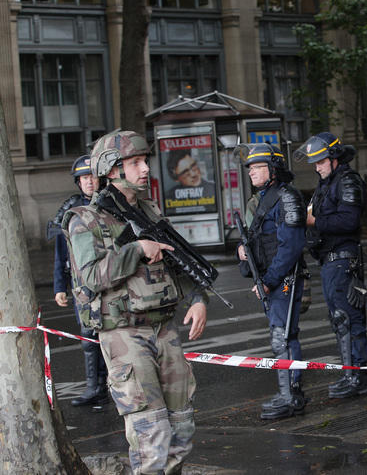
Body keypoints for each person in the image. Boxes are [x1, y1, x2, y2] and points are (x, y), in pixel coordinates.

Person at [62, 130, 208, 474]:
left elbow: (178, 260)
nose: (145, 169)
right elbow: (91, 278)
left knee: (182, 428)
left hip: (163, 329)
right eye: (135, 163)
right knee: (151, 432)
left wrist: (197, 299)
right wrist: (138, 250)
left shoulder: (148, 211)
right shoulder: (86, 220)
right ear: (112, 169)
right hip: (123, 334)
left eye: (145, 161)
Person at [294, 133, 367, 399]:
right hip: (329, 261)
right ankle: (351, 374)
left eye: (321, 161)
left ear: (335, 159)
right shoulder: (327, 184)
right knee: (340, 321)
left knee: (348, 319)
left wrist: (314, 222)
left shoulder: (347, 181)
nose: (317, 166)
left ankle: (358, 377)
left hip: (343, 260)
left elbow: (349, 221)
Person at [236, 143, 308, 420]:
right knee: (280, 335)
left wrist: (269, 280)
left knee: (284, 336)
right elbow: (258, 240)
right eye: (250, 168)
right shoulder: (266, 197)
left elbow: (290, 246)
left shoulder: (287, 198)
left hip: (284, 278)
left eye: (257, 167)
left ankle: (291, 395)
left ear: (273, 169)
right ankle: (288, 392)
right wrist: (241, 252)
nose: (251, 173)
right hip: (272, 278)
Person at [49, 154, 108, 407]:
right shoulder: (71, 212)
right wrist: (59, 287)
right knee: (87, 338)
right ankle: (94, 387)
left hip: (107, 281)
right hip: (81, 285)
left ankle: (113, 386)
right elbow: (61, 254)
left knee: (111, 336)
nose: (89, 182)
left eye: (92, 176)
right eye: (84, 178)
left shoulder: (109, 206)